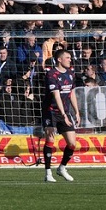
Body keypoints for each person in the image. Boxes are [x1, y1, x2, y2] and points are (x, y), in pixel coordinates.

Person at [42, 49, 80, 182]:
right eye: (67, 57)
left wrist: (76, 112)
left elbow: (71, 93)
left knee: (72, 143)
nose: (70, 60)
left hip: (65, 112)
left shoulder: (70, 73)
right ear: (59, 59)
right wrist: (63, 114)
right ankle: (48, 173)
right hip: (51, 111)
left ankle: (62, 167)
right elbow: (56, 94)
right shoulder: (51, 74)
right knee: (50, 141)